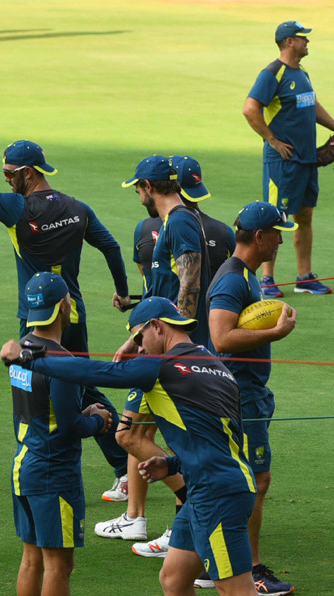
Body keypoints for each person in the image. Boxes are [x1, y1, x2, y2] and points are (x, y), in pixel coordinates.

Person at [0, 297, 334, 596]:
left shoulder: (161, 363)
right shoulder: (212, 363)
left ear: (155, 326)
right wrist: (172, 464)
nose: (138, 348)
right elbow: (221, 440)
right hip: (214, 483)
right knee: (173, 577)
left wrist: (33, 356)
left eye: (138, 337)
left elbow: (98, 373)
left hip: (217, 494)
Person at [0, 114, 132, 501]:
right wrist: (122, 294)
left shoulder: (17, 211)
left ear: (27, 172)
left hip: (37, 318)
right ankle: (124, 466)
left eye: (8, 172)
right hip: (74, 315)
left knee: (34, 388)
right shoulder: (78, 207)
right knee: (85, 386)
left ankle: (48, 461)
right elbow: (111, 247)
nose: (5, 178)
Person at [100, 155, 235, 555]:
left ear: (148, 187)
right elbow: (171, 289)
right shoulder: (176, 222)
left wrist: (169, 347)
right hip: (160, 348)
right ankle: (151, 518)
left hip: (169, 355)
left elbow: (188, 289)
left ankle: (192, 511)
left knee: (129, 433)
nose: (138, 195)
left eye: (138, 188)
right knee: (139, 433)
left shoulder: (177, 221)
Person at [6, 273, 115, 596]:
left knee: (31, 557)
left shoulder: (21, 350)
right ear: (64, 307)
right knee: (58, 564)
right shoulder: (63, 362)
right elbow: (69, 425)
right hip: (54, 472)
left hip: (24, 464)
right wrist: (99, 422)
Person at [208, 202, 299, 596]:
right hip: (239, 396)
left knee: (241, 480)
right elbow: (221, 338)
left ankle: (211, 562)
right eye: (278, 233)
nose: (281, 240)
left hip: (249, 393)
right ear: (259, 237)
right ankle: (250, 570)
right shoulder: (232, 280)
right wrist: (274, 334)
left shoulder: (246, 275)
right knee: (254, 481)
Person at [242, 20, 334, 299]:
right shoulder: (272, 74)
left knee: (305, 215)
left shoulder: (302, 74)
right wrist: (272, 141)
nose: (307, 42)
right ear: (289, 42)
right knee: (274, 219)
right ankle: (267, 279)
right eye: (303, 38)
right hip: (282, 162)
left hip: (306, 160)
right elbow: (250, 109)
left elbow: (311, 105)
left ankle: (304, 277)